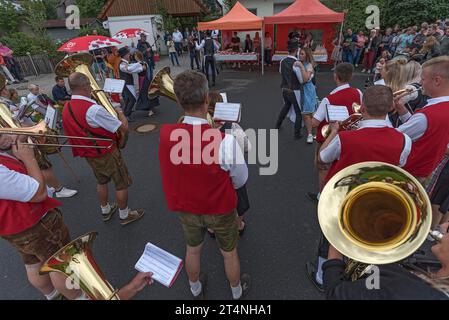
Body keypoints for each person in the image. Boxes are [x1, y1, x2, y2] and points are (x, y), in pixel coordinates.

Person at [307, 85, 412, 292]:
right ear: (391, 107)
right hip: (376, 197)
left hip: (340, 196)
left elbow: (322, 158)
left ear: (362, 108)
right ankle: (361, 277)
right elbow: (398, 165)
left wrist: (335, 131)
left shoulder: (344, 138)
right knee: (366, 234)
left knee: (330, 236)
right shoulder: (404, 140)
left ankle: (321, 275)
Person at [159, 70, 251, 300]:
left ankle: (195, 289)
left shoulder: (166, 134)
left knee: (193, 249)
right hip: (219, 209)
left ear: (179, 101)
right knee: (229, 253)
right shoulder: (224, 140)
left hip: (187, 207)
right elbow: (240, 179)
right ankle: (236, 291)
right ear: (207, 99)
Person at [63, 72, 145, 226]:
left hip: (89, 154)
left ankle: (106, 210)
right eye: (90, 84)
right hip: (106, 152)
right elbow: (123, 128)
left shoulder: (67, 107)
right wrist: (119, 111)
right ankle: (124, 214)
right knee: (121, 183)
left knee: (101, 181)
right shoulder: (93, 109)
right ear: (86, 86)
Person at [323, 224, 449, 299]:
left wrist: (336, 244)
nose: (444, 228)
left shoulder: (399, 288)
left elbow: (335, 292)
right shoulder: (437, 276)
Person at [0, 82, 78, 199]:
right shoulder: (2, 105)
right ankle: (58, 189)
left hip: (21, 138)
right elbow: (6, 136)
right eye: (5, 88)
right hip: (20, 143)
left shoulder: (5, 104)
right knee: (43, 165)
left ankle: (49, 186)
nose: (7, 90)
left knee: (41, 164)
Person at [308, 63, 363, 202]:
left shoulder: (328, 99)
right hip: (349, 137)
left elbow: (314, 122)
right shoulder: (358, 92)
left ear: (335, 76)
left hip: (329, 138)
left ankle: (322, 197)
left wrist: (311, 113)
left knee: (323, 167)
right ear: (351, 76)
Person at [394, 57, 449, 184]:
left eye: (423, 79)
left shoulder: (427, 115)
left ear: (437, 81)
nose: (421, 83)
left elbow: (393, 138)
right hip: (425, 173)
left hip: (406, 175)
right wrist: (402, 110)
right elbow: (426, 131)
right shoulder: (435, 111)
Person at [275, 41, 304, 140]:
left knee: (286, 106)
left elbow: (280, 72)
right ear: (296, 51)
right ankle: (297, 133)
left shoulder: (282, 61)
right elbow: (301, 79)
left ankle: (277, 125)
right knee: (298, 112)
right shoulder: (297, 63)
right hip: (294, 90)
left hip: (284, 88)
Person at [295, 48, 318, 144]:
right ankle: (314, 132)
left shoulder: (308, 66)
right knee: (309, 112)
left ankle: (310, 134)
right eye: (300, 53)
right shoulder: (302, 64)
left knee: (307, 113)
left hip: (308, 91)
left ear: (307, 55)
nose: (300, 55)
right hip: (301, 90)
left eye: (302, 54)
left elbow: (305, 79)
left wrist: (300, 66)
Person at [118, 47, 145, 121]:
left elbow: (131, 69)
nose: (129, 55)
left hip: (128, 83)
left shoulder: (125, 62)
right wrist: (139, 64)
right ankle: (126, 115)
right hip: (126, 83)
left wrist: (140, 68)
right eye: (128, 53)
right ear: (124, 55)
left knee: (129, 99)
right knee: (132, 99)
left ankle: (126, 113)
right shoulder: (122, 64)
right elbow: (130, 69)